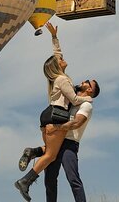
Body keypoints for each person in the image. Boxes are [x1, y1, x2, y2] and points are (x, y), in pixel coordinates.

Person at [14, 22, 93, 202]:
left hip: (47, 114)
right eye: (59, 60)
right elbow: (74, 99)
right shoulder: (63, 79)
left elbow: (57, 54)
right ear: (57, 66)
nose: (62, 58)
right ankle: (24, 181)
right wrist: (87, 99)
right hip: (56, 114)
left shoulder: (55, 78)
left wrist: (54, 37)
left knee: (51, 152)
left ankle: (33, 152)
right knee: (51, 155)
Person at [18, 79, 100, 202]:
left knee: (73, 179)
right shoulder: (72, 101)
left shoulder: (86, 105)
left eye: (87, 81)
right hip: (57, 140)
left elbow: (77, 123)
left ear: (89, 90)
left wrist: (56, 127)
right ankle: (34, 153)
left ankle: (35, 151)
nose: (83, 81)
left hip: (69, 143)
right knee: (50, 180)